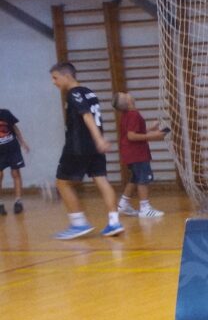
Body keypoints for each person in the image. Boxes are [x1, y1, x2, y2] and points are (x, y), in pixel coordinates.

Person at [48, 62, 123, 239]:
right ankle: (114, 222)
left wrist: (98, 139)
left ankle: (79, 223)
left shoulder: (74, 93)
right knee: (101, 179)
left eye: (55, 78)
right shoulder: (90, 92)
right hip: (94, 147)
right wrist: (98, 140)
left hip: (79, 146)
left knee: (62, 183)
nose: (53, 82)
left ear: (67, 76)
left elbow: (87, 115)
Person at [113, 92, 169, 219]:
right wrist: (154, 136)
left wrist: (150, 129)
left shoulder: (128, 115)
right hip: (137, 154)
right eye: (125, 95)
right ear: (128, 102)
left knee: (135, 178)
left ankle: (123, 204)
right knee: (143, 179)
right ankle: (145, 208)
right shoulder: (133, 115)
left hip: (130, 153)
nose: (128, 94)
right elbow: (131, 136)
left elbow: (134, 131)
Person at [0, 104, 29, 215]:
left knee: (15, 173)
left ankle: (18, 201)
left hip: (13, 149)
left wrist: (23, 142)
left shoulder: (5, 113)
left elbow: (15, 128)